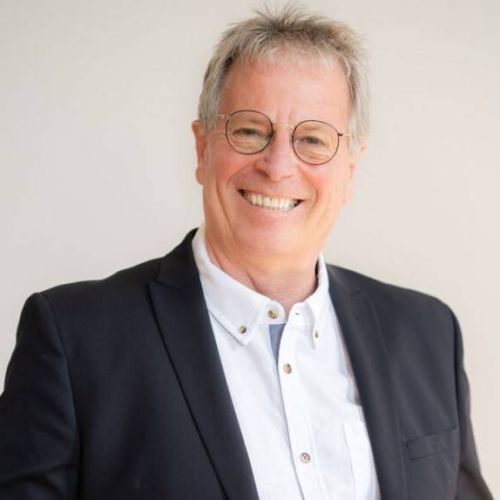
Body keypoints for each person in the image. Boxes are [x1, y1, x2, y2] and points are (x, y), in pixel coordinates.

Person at [0, 5, 493, 500]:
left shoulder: (428, 334)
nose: (278, 166)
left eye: (313, 139)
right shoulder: (75, 338)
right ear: (202, 148)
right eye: (250, 130)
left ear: (350, 169)